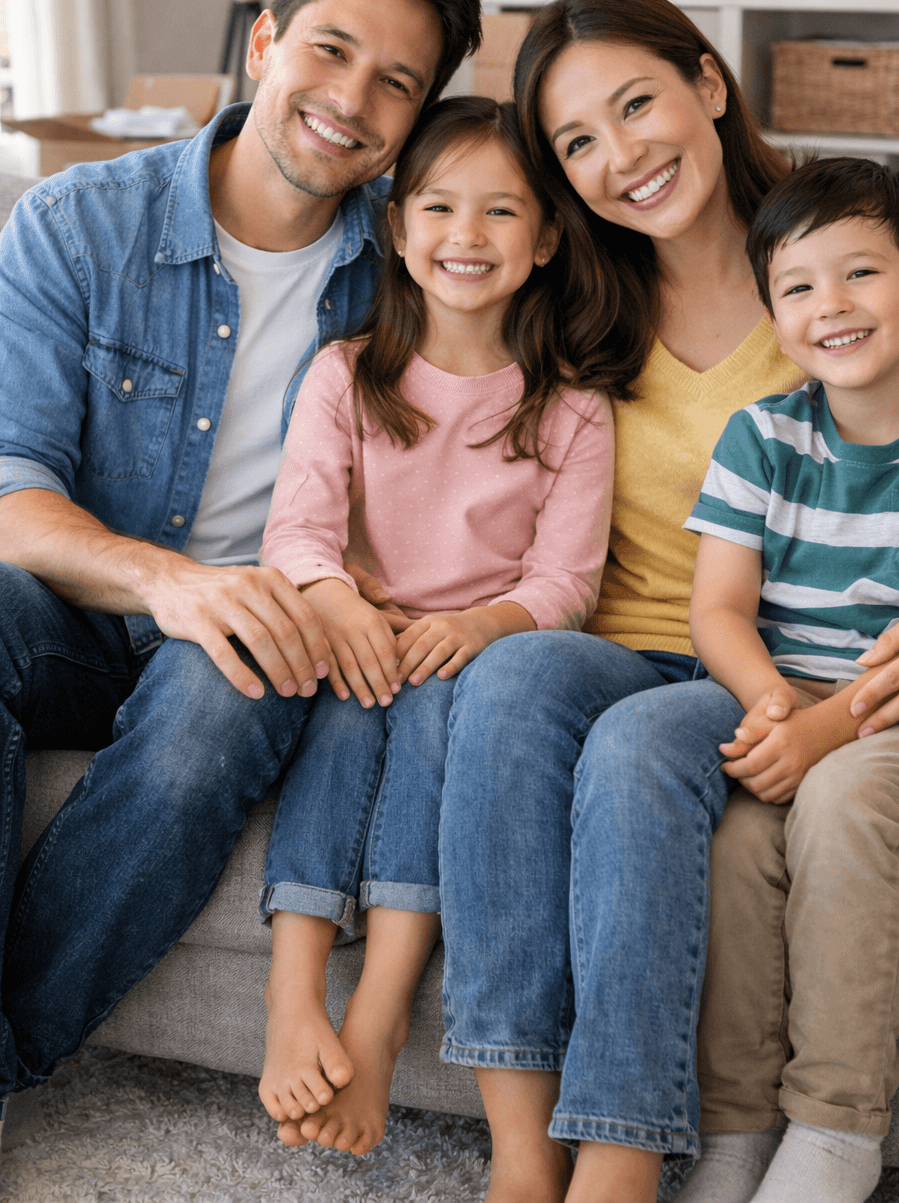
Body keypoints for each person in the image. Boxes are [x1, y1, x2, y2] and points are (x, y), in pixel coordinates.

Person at [435, 0, 899, 1203]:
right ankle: (517, 1154)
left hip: (797, 665)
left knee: (646, 741)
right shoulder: (563, 304)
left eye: (636, 104)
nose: (621, 156)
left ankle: (622, 1157)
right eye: (577, 144)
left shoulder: (840, 274)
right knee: (509, 681)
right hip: (638, 643)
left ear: (707, 84)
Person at [0, 0, 480, 1105]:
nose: (350, 99)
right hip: (78, 602)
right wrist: (170, 578)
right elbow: (9, 490)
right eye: (329, 49)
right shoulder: (77, 225)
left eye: (396, 84)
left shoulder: (424, 265)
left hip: (266, 627)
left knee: (224, 691)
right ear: (264, 42)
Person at [254, 95, 615, 1157]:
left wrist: (486, 623)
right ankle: (293, 991)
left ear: (545, 239)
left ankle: (378, 1013)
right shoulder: (344, 375)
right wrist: (340, 604)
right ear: (397, 228)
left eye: (501, 212)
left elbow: (565, 580)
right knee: (346, 708)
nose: (467, 236)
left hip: (469, 655)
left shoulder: (571, 407)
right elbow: (298, 532)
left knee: (430, 720)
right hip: (357, 637)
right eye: (441, 208)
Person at [676, 159, 899, 1203]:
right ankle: (736, 1128)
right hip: (802, 705)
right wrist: (770, 703)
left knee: (845, 797)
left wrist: (817, 738)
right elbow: (717, 611)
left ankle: (834, 1132)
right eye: (798, 286)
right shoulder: (760, 438)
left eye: (861, 274)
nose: (830, 305)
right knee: (736, 838)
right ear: (773, 315)